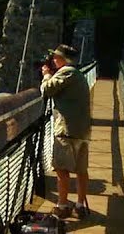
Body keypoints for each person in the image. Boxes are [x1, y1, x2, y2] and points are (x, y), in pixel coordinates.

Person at [39, 44, 91, 219]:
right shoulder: (79, 74)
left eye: (56, 57)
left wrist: (46, 74)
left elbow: (47, 89)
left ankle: (62, 205)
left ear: (64, 59)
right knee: (81, 169)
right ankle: (80, 204)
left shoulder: (67, 71)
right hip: (82, 130)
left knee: (62, 169)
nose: (53, 60)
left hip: (67, 130)